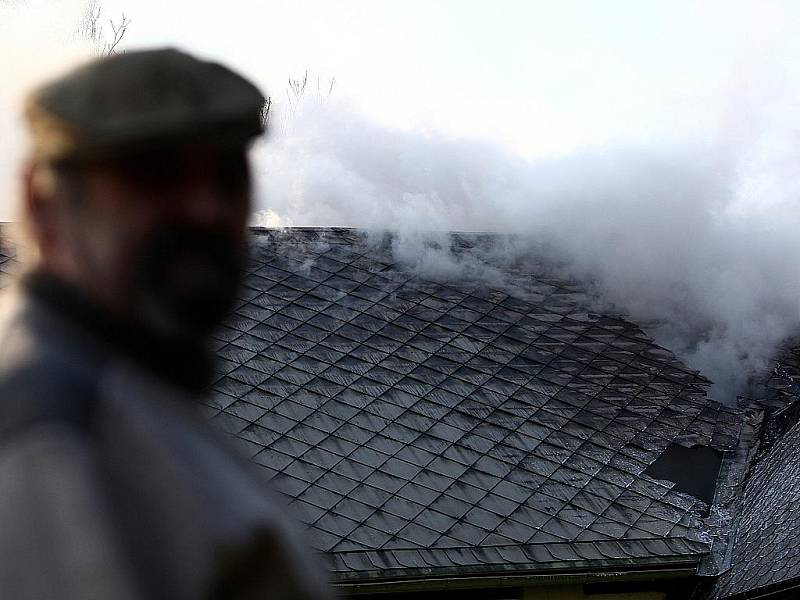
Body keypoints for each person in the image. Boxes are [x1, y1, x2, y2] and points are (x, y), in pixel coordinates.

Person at [0, 48, 329, 600]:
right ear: (42, 203)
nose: (207, 209)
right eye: (156, 175)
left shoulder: (125, 392)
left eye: (229, 175)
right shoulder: (52, 433)